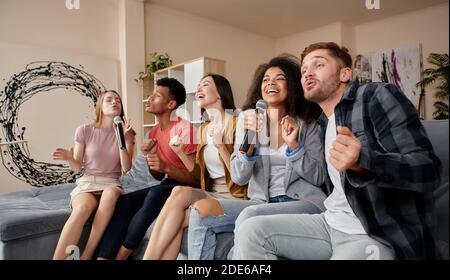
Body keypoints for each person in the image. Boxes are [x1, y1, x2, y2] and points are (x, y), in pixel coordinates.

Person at [235, 42, 442, 260]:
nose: (307, 73)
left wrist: (363, 162)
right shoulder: (323, 123)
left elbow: (429, 170)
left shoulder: (375, 96)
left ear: (345, 73)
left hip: (370, 234)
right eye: (304, 70)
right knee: (252, 230)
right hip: (329, 222)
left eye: (318, 65)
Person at [187, 54, 327, 260]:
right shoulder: (247, 120)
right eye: (266, 79)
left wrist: (294, 146)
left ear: (292, 86)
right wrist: (248, 144)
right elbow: (239, 177)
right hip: (262, 201)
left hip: (303, 201)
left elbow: (318, 177)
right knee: (200, 212)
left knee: (250, 216)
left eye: (279, 78)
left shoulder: (307, 124)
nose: (271, 82)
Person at [142, 74, 247, 260]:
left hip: (236, 196)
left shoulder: (237, 124)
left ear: (220, 94)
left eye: (205, 85)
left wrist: (221, 146)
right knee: (179, 192)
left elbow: (242, 175)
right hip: (212, 192)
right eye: (198, 85)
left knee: (180, 220)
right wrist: (181, 151)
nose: (199, 89)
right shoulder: (204, 129)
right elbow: (198, 173)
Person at [95, 77, 198, 260]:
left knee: (155, 194)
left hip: (185, 188)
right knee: (125, 202)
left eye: (156, 96)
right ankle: (103, 257)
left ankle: (121, 256)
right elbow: (158, 176)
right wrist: (153, 158)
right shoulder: (154, 132)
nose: (149, 99)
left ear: (171, 104)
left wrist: (166, 166)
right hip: (168, 183)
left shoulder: (186, 129)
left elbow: (196, 179)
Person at [52, 90, 135, 260]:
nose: (114, 102)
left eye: (118, 100)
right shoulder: (84, 130)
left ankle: (87, 255)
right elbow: (77, 167)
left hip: (111, 183)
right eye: (109, 100)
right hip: (88, 183)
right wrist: (69, 158)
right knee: (82, 209)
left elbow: (126, 168)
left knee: (111, 193)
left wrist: (122, 139)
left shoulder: (127, 133)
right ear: (100, 106)